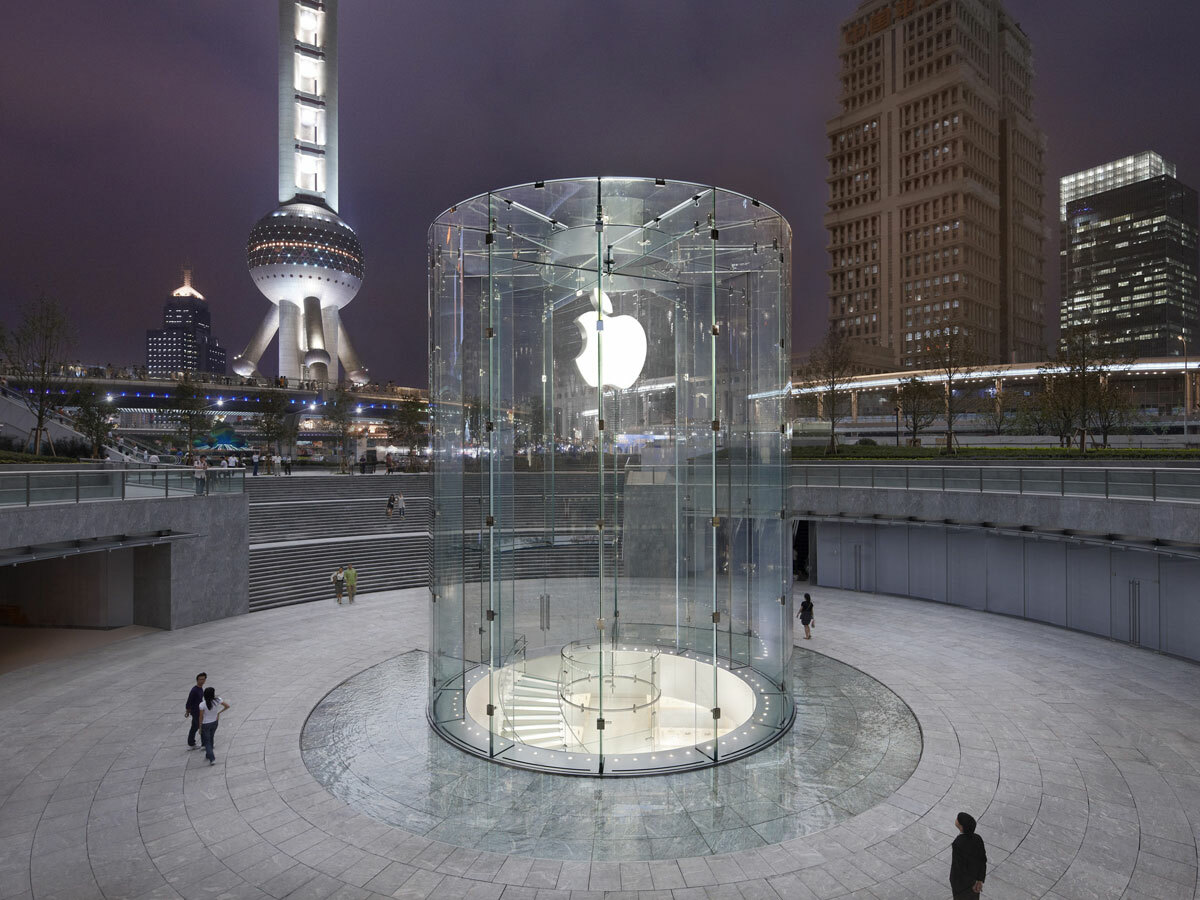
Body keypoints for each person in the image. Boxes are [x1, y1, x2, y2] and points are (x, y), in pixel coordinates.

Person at [950, 812, 986, 898]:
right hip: (975, 882)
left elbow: (959, 867)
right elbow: (983, 860)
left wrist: (972, 884)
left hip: (961, 885)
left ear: (961, 827)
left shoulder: (958, 843)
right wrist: (979, 880)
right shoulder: (978, 838)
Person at [199, 686, 229, 766]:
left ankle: (211, 758)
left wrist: (200, 727)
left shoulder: (202, 705)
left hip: (206, 724)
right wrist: (219, 712)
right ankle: (208, 754)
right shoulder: (217, 700)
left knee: (207, 741)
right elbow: (227, 706)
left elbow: (201, 717)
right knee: (211, 737)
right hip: (214, 722)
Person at [184, 672, 207, 749]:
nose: (202, 681)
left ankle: (191, 743)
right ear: (197, 680)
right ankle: (202, 744)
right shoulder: (194, 690)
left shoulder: (200, 689)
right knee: (199, 726)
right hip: (195, 712)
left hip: (199, 711)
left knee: (195, 726)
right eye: (200, 679)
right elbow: (189, 701)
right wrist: (187, 711)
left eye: (203, 679)